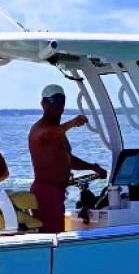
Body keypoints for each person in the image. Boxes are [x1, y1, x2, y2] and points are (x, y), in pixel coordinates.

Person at [28, 83, 107, 234]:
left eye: (61, 100)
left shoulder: (58, 132)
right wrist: (71, 123)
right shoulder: (40, 129)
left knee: (58, 234)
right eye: (53, 101)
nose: (58, 105)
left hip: (57, 193)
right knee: (52, 238)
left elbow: (67, 159)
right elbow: (46, 135)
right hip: (46, 192)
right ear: (43, 103)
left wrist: (92, 167)